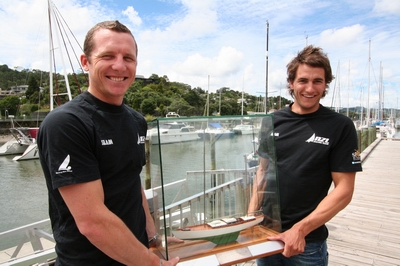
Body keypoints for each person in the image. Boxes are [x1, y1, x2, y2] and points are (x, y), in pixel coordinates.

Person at [37, 20, 180, 266]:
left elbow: (132, 183)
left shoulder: (136, 121)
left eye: (128, 58)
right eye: (108, 55)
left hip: (136, 256)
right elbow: (93, 222)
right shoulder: (67, 123)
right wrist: (152, 263)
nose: (119, 65)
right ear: (85, 62)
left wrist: (153, 236)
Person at [249, 45, 362, 265]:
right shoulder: (271, 121)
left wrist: (300, 230)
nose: (310, 88)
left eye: (317, 81)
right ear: (291, 83)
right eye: (303, 80)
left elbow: (345, 190)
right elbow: (262, 172)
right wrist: (250, 218)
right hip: (266, 235)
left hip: (307, 243)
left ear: (326, 84)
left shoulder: (341, 126)